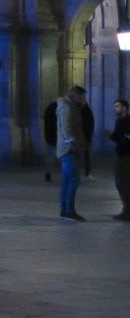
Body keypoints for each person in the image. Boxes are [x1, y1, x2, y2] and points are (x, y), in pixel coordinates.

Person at [56, 86, 87, 221]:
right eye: (82, 97)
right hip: (69, 149)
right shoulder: (67, 108)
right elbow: (67, 129)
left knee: (67, 180)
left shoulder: (71, 107)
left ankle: (65, 210)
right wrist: (74, 143)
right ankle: (69, 210)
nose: (83, 100)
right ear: (75, 96)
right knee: (73, 178)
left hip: (68, 148)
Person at [109, 98, 130, 221]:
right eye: (115, 106)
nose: (115, 108)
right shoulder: (120, 120)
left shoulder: (127, 121)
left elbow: (126, 138)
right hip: (122, 154)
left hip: (125, 156)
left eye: (117, 106)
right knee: (122, 183)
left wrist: (113, 136)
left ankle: (127, 211)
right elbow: (118, 136)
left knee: (123, 183)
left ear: (125, 108)